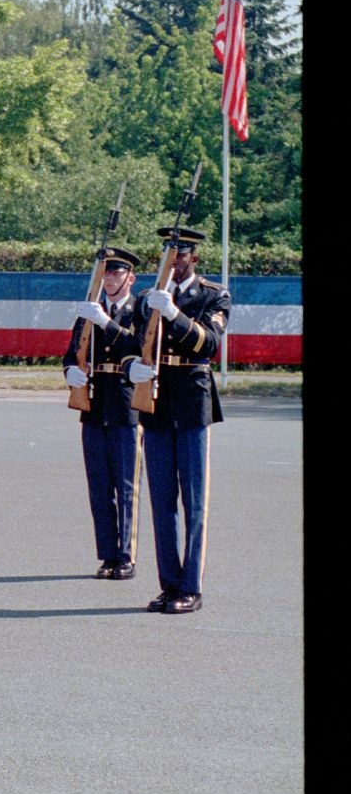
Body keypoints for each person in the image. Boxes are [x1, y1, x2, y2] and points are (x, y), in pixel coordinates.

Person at [128, 228, 230, 615]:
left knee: (194, 501)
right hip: (156, 402)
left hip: (191, 400)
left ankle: (192, 586)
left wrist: (174, 312)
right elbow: (132, 346)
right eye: (169, 252)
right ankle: (169, 584)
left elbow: (210, 343)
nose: (175, 259)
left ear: (194, 258)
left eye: (181, 253)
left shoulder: (212, 294)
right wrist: (131, 368)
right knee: (162, 501)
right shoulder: (145, 299)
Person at [62, 246, 143, 580]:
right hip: (94, 405)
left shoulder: (139, 311)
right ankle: (108, 553)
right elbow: (70, 354)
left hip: (126, 406)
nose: (110, 279)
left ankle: (127, 555)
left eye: (117, 273)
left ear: (130, 277)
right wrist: (69, 373)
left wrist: (105, 322)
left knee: (126, 487)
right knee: (99, 485)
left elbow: (137, 348)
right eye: (106, 273)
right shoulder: (88, 312)